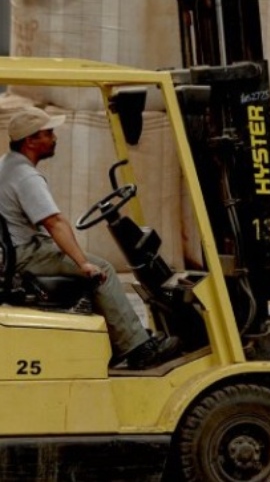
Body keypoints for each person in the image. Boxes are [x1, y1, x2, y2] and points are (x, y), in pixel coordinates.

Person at [0, 106, 179, 370]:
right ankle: (138, 348)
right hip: (26, 254)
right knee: (102, 269)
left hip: (14, 251)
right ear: (31, 141)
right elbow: (55, 223)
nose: (55, 138)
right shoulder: (26, 177)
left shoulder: (6, 164)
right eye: (49, 133)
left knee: (86, 263)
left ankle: (117, 342)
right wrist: (83, 264)